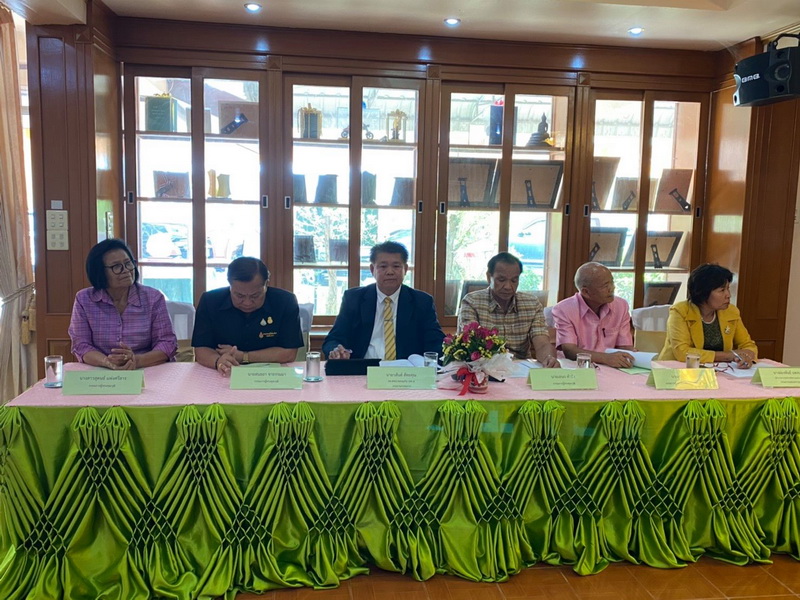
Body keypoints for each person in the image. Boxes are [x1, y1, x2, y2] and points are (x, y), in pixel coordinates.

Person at [323, 241, 444, 360]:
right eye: (383, 266)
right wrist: (336, 351)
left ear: (405, 269)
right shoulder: (353, 299)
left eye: (396, 266)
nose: (390, 272)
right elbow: (334, 339)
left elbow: (435, 342)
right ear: (372, 269)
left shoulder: (422, 302)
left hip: (406, 370)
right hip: (362, 368)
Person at [68, 238, 177, 369]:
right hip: (101, 370)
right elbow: (81, 345)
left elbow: (167, 343)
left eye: (128, 263)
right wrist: (107, 362)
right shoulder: (84, 299)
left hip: (147, 368)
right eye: (117, 267)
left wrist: (137, 361)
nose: (126, 270)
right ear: (99, 271)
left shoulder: (153, 298)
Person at [192, 257, 303, 375]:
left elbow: (289, 353)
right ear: (230, 285)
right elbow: (201, 349)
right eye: (239, 296)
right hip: (223, 372)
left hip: (271, 374)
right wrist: (218, 361)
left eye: (255, 296)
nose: (247, 303)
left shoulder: (285, 302)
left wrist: (244, 356)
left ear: (266, 284)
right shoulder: (210, 301)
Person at [458, 252, 559, 367]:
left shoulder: (532, 304)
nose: (508, 286)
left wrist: (549, 359)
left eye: (514, 281)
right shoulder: (472, 302)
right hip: (485, 366)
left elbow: (542, 344)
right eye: (501, 280)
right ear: (489, 277)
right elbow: (471, 345)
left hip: (521, 367)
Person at [657, 263, 758, 367]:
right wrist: (728, 356)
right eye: (722, 290)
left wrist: (747, 355)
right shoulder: (680, 311)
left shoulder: (731, 311)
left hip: (720, 370)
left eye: (728, 288)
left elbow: (747, 344)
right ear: (703, 293)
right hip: (677, 369)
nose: (728, 295)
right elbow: (682, 352)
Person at [551, 262, 636, 368]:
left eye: (612, 282)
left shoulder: (621, 306)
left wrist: (636, 356)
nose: (612, 288)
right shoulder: (563, 309)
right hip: (576, 366)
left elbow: (625, 346)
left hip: (611, 367)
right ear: (586, 292)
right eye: (605, 286)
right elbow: (570, 351)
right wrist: (605, 358)